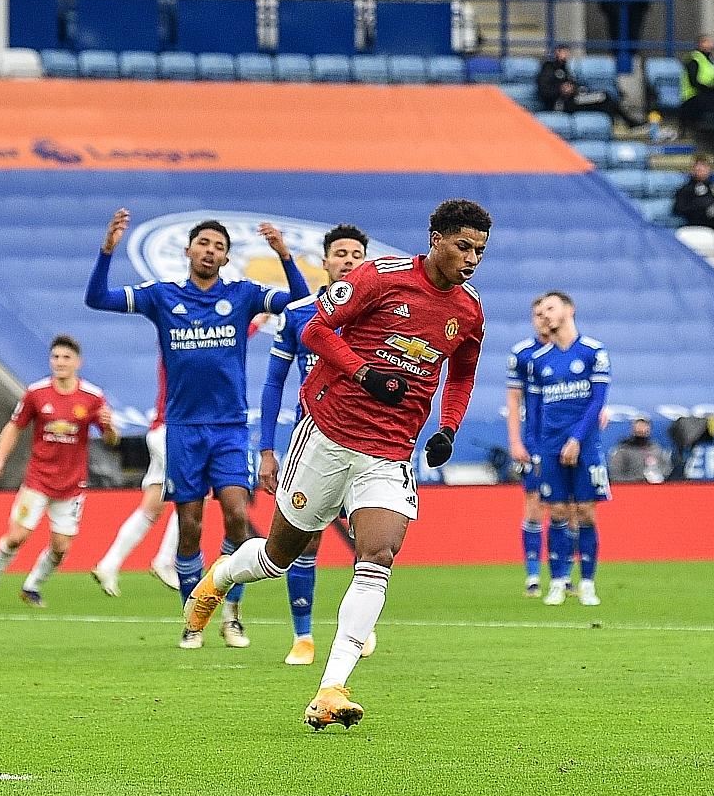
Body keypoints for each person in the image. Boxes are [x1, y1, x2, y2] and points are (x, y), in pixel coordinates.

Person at [182, 198, 491, 730]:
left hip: (390, 452)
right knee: (278, 558)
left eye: (480, 251)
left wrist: (448, 426)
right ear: (435, 237)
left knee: (379, 555)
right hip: (328, 435)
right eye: (463, 246)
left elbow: (461, 371)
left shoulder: (468, 309)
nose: (471, 260)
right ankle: (221, 575)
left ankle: (332, 686)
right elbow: (315, 331)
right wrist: (362, 372)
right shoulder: (380, 276)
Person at [85, 211, 309, 649]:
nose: (210, 250)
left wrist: (284, 256)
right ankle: (194, 618)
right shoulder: (162, 296)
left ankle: (232, 613)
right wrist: (107, 250)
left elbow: (302, 304)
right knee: (189, 526)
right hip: (182, 430)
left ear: (227, 258)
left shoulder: (243, 295)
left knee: (238, 517)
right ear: (188, 251)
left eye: (219, 246)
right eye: (203, 243)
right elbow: (98, 299)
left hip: (228, 428)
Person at [257, 223, 377, 665]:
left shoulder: (381, 313)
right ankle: (303, 636)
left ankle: (358, 626)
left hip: (368, 440)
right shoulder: (300, 313)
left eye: (356, 253)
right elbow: (274, 383)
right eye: (340, 253)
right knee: (304, 540)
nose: (348, 260)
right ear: (324, 262)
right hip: (311, 441)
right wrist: (267, 449)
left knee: (369, 536)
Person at [0, 335, 113, 609]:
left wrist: (110, 427)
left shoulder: (92, 397)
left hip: (71, 486)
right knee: (16, 537)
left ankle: (31, 587)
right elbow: (14, 426)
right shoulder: (36, 393)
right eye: (55, 357)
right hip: (38, 481)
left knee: (60, 547)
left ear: (78, 362)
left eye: (66, 357)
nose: (60, 362)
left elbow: (111, 440)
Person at [526, 292, 609, 608]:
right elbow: (532, 412)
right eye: (542, 311)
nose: (545, 315)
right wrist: (535, 449)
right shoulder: (538, 361)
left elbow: (597, 402)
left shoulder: (593, 352)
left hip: (585, 445)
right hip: (549, 447)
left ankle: (587, 582)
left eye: (551, 308)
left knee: (586, 513)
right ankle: (558, 581)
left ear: (569, 310)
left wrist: (576, 439)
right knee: (558, 512)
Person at [90, 366, 180, 596]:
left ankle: (109, 564)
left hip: (163, 431)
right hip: (172, 432)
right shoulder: (185, 344)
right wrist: (254, 327)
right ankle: (165, 560)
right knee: (194, 493)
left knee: (152, 507)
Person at [507, 304, 553, 597]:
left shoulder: (578, 352)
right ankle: (533, 575)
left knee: (571, 509)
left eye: (547, 313)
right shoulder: (523, 354)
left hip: (566, 442)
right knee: (534, 505)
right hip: (535, 442)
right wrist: (515, 441)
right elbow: (513, 401)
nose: (542, 319)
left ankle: (564, 575)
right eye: (537, 315)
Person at [536, 44, 640, 129]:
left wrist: (573, 88)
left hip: (573, 99)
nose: (566, 55)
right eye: (563, 52)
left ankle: (615, 126)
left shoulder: (565, 69)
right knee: (604, 97)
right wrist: (561, 90)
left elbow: (573, 84)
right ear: (557, 52)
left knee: (605, 100)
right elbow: (544, 90)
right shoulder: (548, 68)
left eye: (567, 52)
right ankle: (626, 124)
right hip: (561, 103)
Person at [678, 35, 714, 149]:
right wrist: (710, 89)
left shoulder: (711, 60)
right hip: (693, 97)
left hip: (708, 95)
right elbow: (694, 82)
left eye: (710, 42)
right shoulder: (694, 59)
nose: (709, 44)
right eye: (705, 42)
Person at [609, 415, 668, 483]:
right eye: (639, 427)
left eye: (644, 427)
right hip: (630, 489)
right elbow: (615, 475)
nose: (642, 429)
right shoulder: (623, 450)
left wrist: (657, 477)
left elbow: (666, 469)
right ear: (633, 429)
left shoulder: (656, 449)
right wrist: (640, 480)